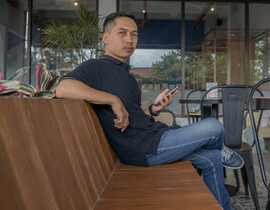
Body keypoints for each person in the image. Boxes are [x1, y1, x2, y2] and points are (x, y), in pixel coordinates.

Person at [56, 11, 244, 210]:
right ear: (106, 37)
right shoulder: (96, 66)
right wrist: (113, 100)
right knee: (214, 126)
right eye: (122, 33)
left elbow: (135, 119)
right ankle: (219, 146)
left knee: (212, 158)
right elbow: (63, 88)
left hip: (155, 136)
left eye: (134, 34)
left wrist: (154, 110)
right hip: (143, 148)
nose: (129, 39)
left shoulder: (126, 74)